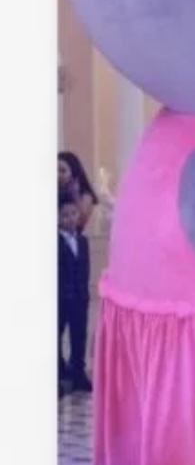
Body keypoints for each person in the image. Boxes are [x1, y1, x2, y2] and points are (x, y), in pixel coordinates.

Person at [58, 191, 92, 395]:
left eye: (73, 214)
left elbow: (85, 270)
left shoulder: (83, 241)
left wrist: (85, 293)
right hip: (61, 299)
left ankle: (78, 373)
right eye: (65, 215)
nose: (70, 219)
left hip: (80, 298)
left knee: (79, 336)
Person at [58, 151, 98, 232]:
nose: (58, 175)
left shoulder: (85, 195)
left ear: (74, 172)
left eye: (63, 171)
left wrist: (75, 194)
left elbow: (80, 222)